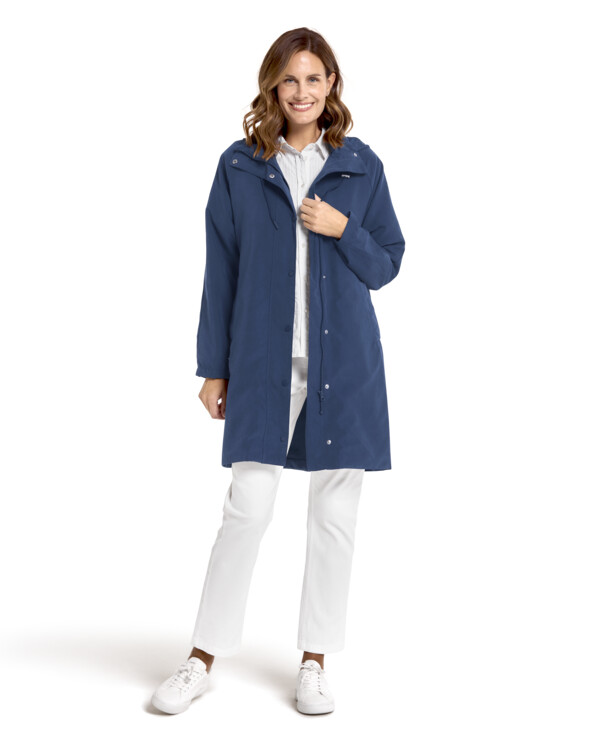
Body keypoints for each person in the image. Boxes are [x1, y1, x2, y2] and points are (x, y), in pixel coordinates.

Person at [152, 27, 406, 716]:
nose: (301, 92)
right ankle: (202, 656)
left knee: (335, 516)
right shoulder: (240, 165)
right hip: (264, 363)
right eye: (289, 79)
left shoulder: (360, 166)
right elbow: (221, 269)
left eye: (313, 79)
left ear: (332, 85)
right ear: (273, 85)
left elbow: (387, 262)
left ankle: (315, 662)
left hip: (344, 364)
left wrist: (342, 229)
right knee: (248, 508)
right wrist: (213, 367)